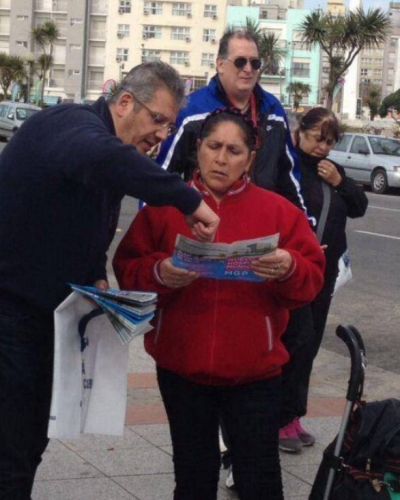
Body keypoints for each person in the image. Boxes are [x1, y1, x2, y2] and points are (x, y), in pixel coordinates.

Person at [0, 61, 220, 499]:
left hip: (51, 317)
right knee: (12, 447)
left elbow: (89, 227)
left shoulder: (110, 155)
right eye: (158, 120)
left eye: (169, 125)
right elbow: (105, 160)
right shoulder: (74, 127)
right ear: (124, 102)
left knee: (30, 440)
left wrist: (95, 278)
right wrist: (189, 200)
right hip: (11, 313)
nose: (161, 135)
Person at [113, 109, 325, 500]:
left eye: (233, 150)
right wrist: (161, 273)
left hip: (255, 374)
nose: (221, 159)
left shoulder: (279, 212)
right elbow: (127, 269)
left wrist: (289, 267)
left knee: (260, 478)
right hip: (181, 368)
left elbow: (311, 281)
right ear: (198, 149)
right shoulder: (165, 207)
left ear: (250, 158)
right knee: (193, 476)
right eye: (213, 147)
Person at [279, 107, 368, 453]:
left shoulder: (332, 170)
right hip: (295, 267)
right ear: (301, 132)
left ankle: (293, 416)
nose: (323, 148)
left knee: (310, 343)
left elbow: (359, 206)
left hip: (324, 271)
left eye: (330, 142)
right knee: (295, 340)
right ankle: (278, 417)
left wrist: (340, 182)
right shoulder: (289, 167)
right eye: (318, 139)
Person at [157, 27, 306, 211]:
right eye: (240, 62)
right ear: (220, 65)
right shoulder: (191, 111)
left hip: (257, 224)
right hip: (202, 223)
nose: (248, 69)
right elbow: (161, 176)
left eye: (255, 63)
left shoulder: (273, 109)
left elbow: (289, 179)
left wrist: (306, 232)